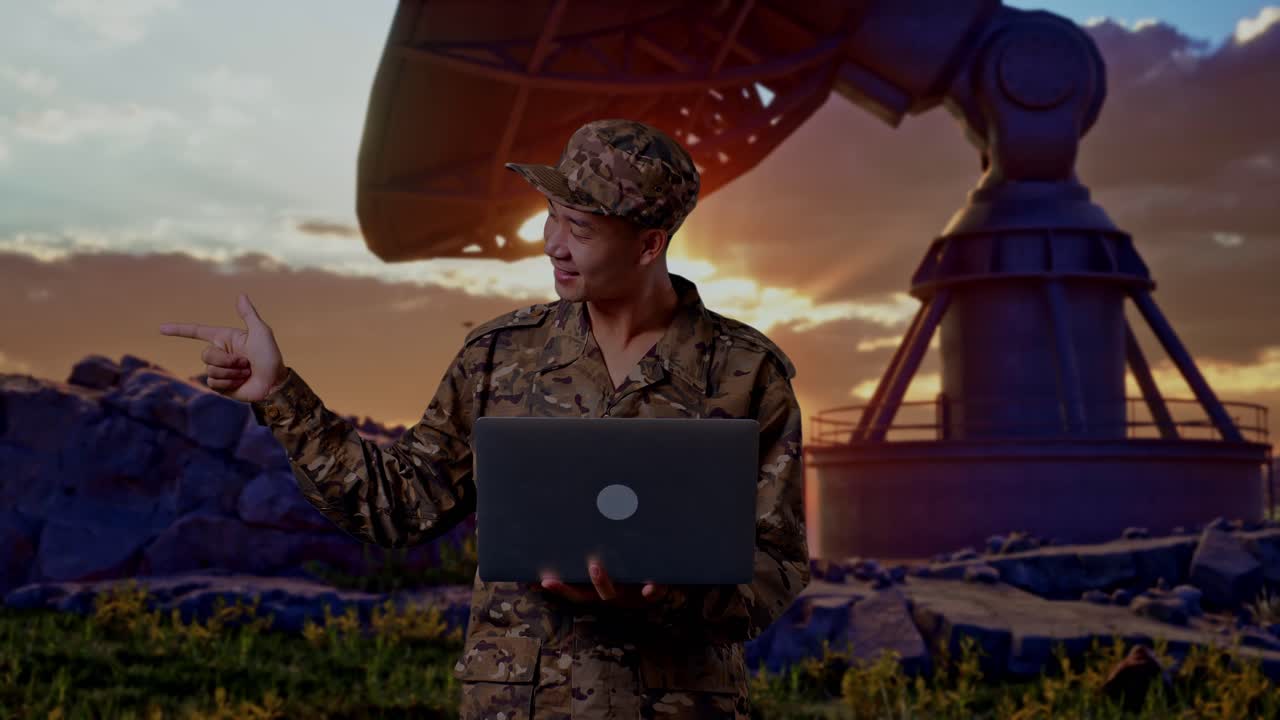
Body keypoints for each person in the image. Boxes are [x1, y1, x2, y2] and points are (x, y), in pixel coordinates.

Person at [159, 118, 809, 719]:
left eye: (579, 228)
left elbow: (776, 564)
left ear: (648, 244)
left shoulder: (746, 375)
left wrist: (667, 595)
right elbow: (399, 504)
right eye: (551, 217)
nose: (553, 243)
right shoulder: (498, 357)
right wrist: (281, 395)